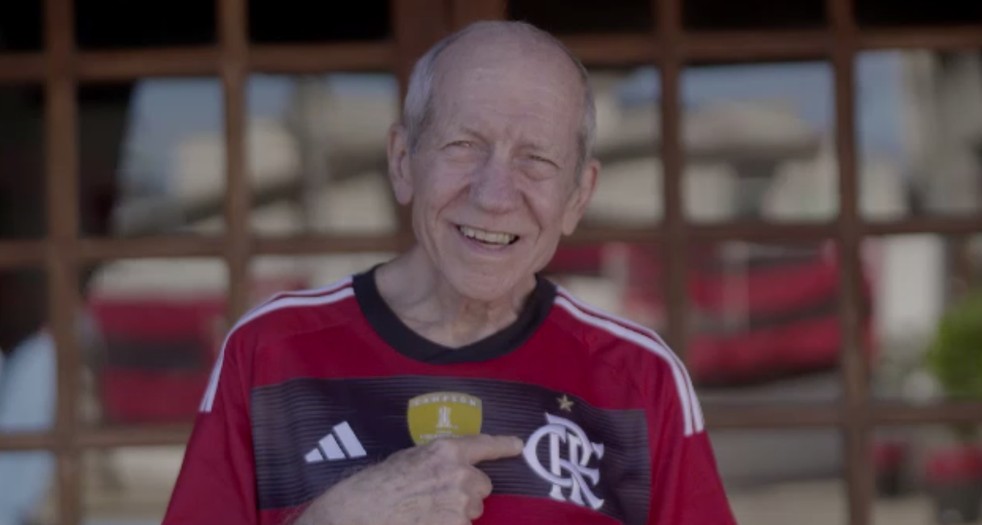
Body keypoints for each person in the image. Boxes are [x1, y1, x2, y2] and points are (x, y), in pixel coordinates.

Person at [163, 20, 737, 525]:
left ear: (578, 196)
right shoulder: (270, 353)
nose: (493, 195)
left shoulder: (641, 379)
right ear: (403, 161)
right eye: (464, 145)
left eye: (535, 159)